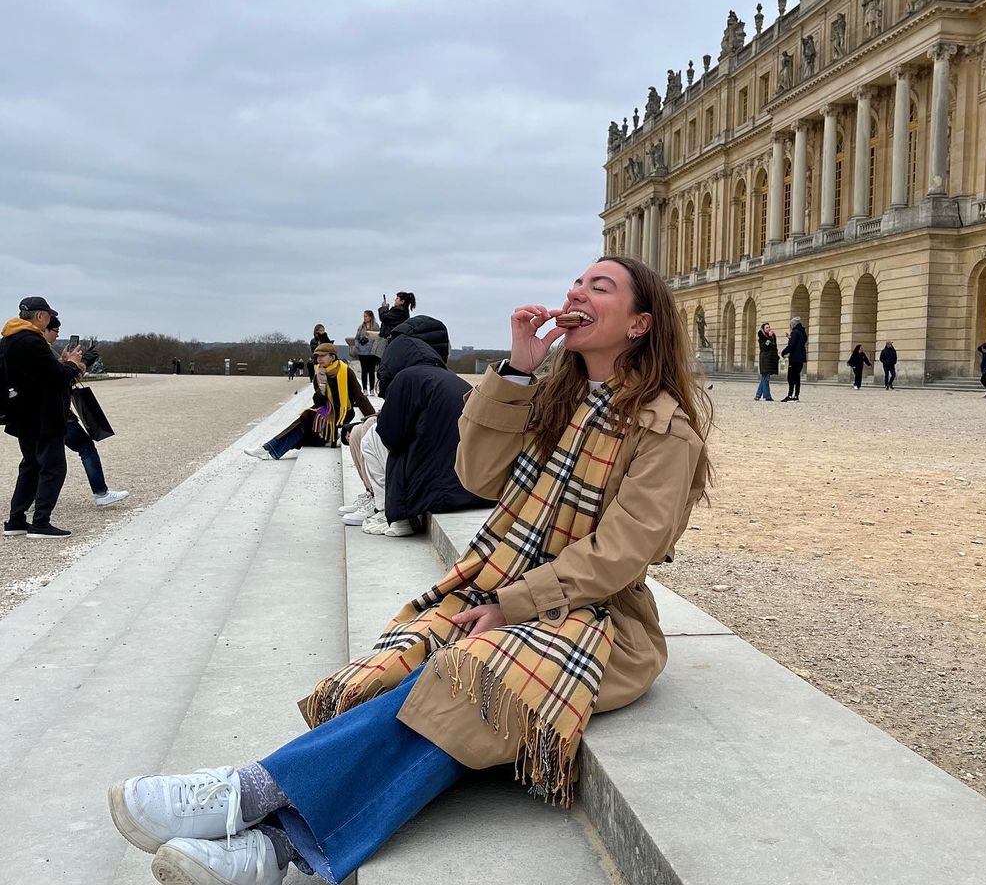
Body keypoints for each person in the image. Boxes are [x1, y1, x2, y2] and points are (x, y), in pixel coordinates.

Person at [108, 255, 711, 885]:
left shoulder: (665, 430)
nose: (577, 291)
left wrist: (513, 605)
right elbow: (477, 475)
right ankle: (269, 849)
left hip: (600, 618)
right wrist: (515, 372)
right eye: (577, 282)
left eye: (600, 286)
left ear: (640, 324)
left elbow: (621, 552)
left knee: (472, 675)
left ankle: (247, 796)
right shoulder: (552, 396)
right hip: (506, 582)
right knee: (414, 659)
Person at [341, 316, 492, 537]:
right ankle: (382, 505)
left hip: (439, 492)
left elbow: (390, 437)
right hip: (474, 488)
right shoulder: (449, 378)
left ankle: (390, 514)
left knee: (372, 436)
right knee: (374, 430)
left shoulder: (407, 377)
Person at [2, 297, 83, 539]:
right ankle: (41, 522)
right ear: (39, 316)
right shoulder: (32, 341)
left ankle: (16, 520)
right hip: (44, 415)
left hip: (21, 414)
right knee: (53, 467)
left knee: (30, 465)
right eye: (48, 316)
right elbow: (57, 377)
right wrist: (72, 364)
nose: (50, 320)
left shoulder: (8, 339)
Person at [42, 317, 129, 508]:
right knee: (86, 448)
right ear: (45, 329)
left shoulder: (39, 348)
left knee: (37, 458)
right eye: (55, 330)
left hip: (41, 414)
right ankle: (101, 493)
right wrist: (79, 364)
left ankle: (29, 499)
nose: (57, 335)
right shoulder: (43, 349)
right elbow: (61, 378)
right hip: (57, 414)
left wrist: (68, 361)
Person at [246, 344, 374, 460]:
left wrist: (372, 418)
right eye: (317, 356)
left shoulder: (346, 372)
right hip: (325, 409)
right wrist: (321, 389)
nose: (318, 359)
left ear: (332, 357)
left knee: (307, 419)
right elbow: (318, 401)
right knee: (305, 423)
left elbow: (359, 397)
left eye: (322, 356)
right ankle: (270, 448)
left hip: (343, 413)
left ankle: (269, 448)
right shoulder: (319, 374)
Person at [780, 316, 808, 402]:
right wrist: (790, 338)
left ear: (793, 325)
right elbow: (800, 342)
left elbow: (791, 345)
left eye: (790, 325)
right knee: (797, 377)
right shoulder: (802, 332)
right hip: (800, 358)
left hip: (794, 358)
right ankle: (796, 395)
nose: (790, 327)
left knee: (791, 377)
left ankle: (790, 395)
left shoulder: (795, 332)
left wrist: (783, 352)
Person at [352, 311, 379, 396]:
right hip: (362, 352)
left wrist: (375, 348)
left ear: (370, 317)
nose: (364, 318)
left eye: (366, 316)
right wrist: (357, 346)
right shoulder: (361, 327)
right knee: (364, 371)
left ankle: (371, 389)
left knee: (371, 371)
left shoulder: (376, 326)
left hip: (372, 352)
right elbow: (356, 338)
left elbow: (378, 338)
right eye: (364, 316)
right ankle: (364, 389)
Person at [755, 322, 778, 401]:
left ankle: (758, 395)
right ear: (764, 330)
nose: (769, 329)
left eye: (769, 327)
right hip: (765, 359)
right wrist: (770, 338)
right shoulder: (762, 338)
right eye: (767, 328)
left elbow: (774, 347)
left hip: (770, 359)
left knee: (764, 378)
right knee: (766, 378)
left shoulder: (772, 336)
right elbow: (764, 347)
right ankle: (767, 396)